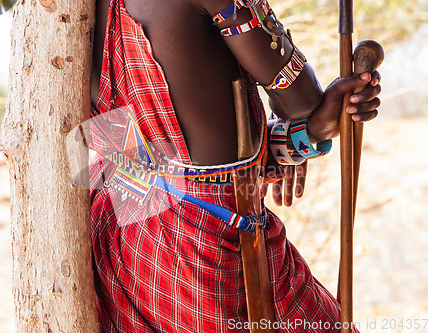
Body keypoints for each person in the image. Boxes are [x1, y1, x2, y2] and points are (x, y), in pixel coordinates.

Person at [89, 0, 381, 331]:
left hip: (122, 245)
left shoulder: (77, 13)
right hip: (208, 257)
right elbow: (303, 101)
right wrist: (314, 117)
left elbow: (153, 158)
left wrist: (308, 134)